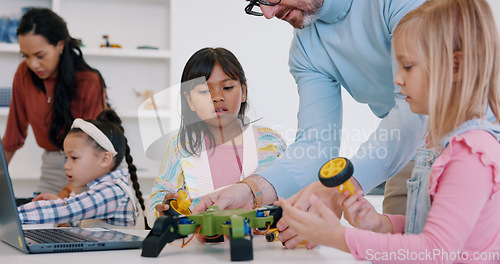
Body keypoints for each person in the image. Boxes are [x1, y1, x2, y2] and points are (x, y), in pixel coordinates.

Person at [279, 0, 500, 262]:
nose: (396, 78)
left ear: (454, 67)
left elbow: (435, 251)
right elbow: (430, 226)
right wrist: (380, 224)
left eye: (407, 66)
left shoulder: (471, 155)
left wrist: (338, 238)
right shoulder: (440, 146)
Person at [146, 47, 287, 228]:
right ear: (189, 101)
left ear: (243, 92)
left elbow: (291, 192)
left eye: (227, 87)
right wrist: (162, 212)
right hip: (198, 250)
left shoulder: (270, 143)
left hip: (263, 249)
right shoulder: (181, 147)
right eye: (204, 91)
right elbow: (158, 199)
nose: (217, 97)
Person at [1, 8, 108, 196]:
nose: (32, 64)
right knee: (35, 222)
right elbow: (11, 139)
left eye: (40, 55)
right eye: (25, 56)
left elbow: (94, 149)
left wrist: (64, 198)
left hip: (89, 174)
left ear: (59, 45)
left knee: (63, 222)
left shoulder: (89, 81)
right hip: (50, 169)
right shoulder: (23, 74)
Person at [18, 110, 146, 228]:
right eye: (66, 158)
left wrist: (14, 216)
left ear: (104, 159)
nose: (66, 166)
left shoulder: (111, 192)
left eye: (74, 158)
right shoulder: (98, 189)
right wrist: (61, 207)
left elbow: (68, 210)